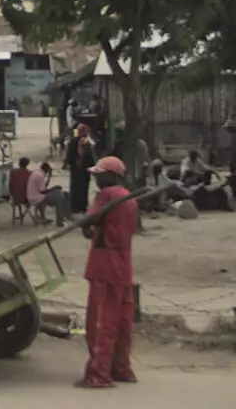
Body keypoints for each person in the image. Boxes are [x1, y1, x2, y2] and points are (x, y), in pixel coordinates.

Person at [76, 156, 138, 389]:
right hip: (123, 259)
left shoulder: (107, 195)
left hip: (104, 261)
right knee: (122, 319)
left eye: (99, 175)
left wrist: (85, 226)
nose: (96, 179)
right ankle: (121, 367)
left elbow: (89, 220)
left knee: (101, 321)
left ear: (112, 176)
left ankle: (99, 373)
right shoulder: (128, 198)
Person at [65, 124, 97, 215]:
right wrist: (68, 163)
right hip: (76, 169)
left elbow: (92, 154)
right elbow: (70, 154)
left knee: (84, 188)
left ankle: (82, 206)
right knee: (75, 187)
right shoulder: (74, 141)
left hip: (84, 169)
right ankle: (75, 207)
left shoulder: (89, 142)